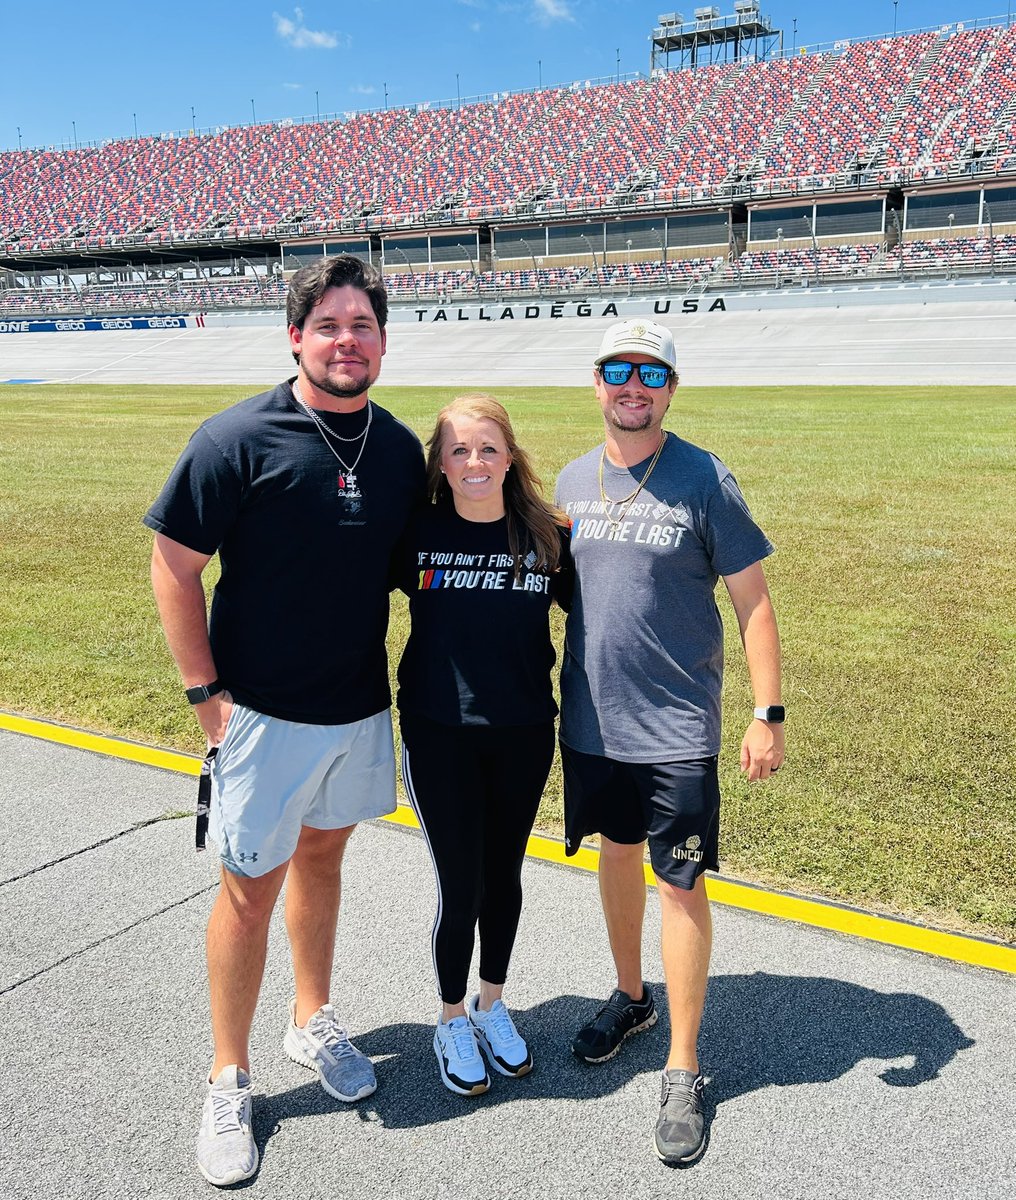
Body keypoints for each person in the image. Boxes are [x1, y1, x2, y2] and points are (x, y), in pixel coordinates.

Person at [143, 255, 425, 1187]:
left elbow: (411, 564)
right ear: (296, 337)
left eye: (365, 326)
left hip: (356, 707)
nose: (349, 342)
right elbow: (174, 565)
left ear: (384, 340)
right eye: (331, 326)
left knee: (323, 859)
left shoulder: (394, 448)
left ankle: (312, 1020)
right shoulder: (235, 438)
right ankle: (229, 1075)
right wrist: (204, 696)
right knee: (247, 888)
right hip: (260, 715)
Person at [554, 319, 784, 1165]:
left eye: (651, 373)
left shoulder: (703, 479)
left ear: (671, 389)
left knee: (680, 882)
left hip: (678, 730)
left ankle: (683, 1066)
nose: (633, 385)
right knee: (616, 857)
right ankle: (629, 996)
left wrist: (768, 712)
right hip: (591, 724)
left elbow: (752, 603)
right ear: (598, 381)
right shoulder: (572, 483)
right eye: (619, 370)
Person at [396, 393, 571, 1097]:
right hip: (439, 734)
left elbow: (606, 612)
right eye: (459, 449)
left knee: (506, 876)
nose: (475, 462)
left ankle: (491, 1004)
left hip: (526, 731)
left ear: (511, 457)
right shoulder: (412, 532)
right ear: (440, 461)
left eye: (489, 448)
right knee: (459, 883)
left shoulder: (548, 534)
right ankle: (448, 1019)